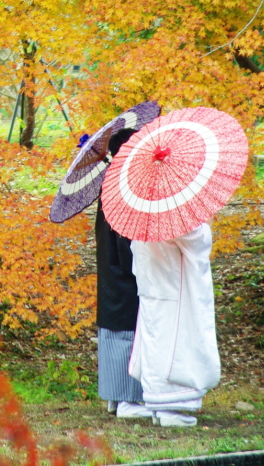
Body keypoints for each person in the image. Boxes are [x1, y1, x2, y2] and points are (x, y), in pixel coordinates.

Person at [128, 222, 221, 427]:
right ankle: (171, 406)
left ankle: (157, 404)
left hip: (152, 289)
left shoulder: (140, 217)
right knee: (174, 344)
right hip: (174, 288)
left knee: (155, 342)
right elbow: (198, 240)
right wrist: (205, 224)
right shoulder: (173, 215)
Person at [95, 129, 151, 420]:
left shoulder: (111, 183)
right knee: (127, 334)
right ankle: (128, 398)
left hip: (109, 271)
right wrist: (142, 263)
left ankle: (115, 397)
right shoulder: (124, 187)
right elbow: (125, 239)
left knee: (115, 333)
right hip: (123, 272)